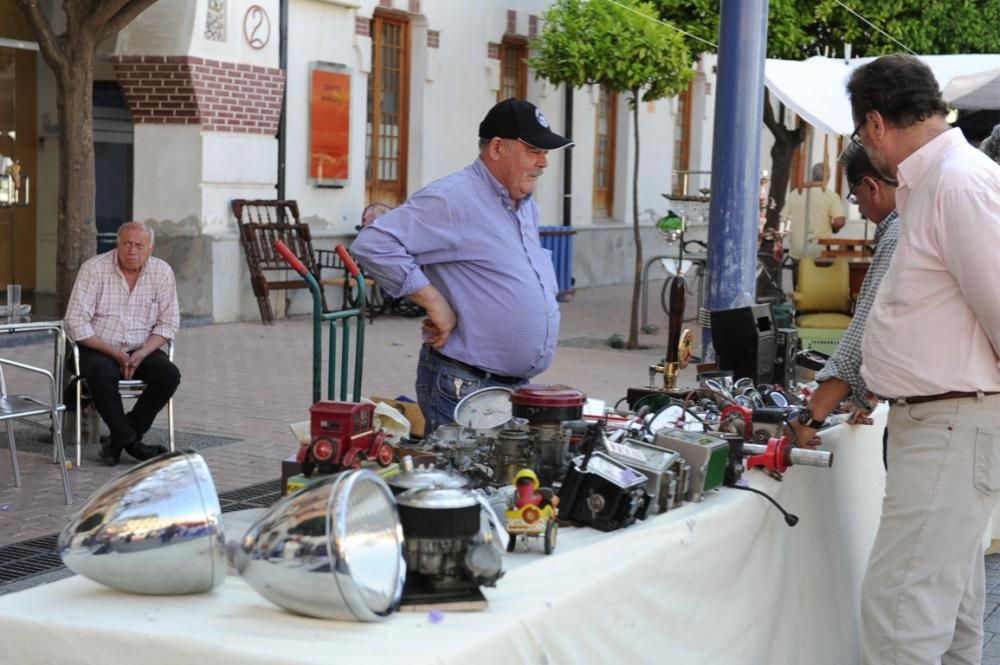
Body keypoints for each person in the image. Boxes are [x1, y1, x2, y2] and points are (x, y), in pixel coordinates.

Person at [847, 54, 1000, 664]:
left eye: (861, 136)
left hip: (952, 423)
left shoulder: (956, 180)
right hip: (947, 422)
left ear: (877, 125)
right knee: (950, 612)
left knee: (901, 618)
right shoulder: (940, 180)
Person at [351, 98, 572, 434]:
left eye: (546, 152)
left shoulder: (526, 204)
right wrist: (434, 302)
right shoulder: (453, 198)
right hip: (465, 386)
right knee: (468, 484)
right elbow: (373, 244)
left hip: (512, 388)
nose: (544, 162)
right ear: (498, 147)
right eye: (534, 150)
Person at [788, 142, 899, 469]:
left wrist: (811, 417)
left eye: (855, 197)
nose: (860, 209)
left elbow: (865, 334)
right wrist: (861, 395)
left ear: (870, 186)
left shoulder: (898, 232)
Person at [65, 221, 181, 467]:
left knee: (169, 375)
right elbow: (75, 322)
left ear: (150, 248)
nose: (132, 250)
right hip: (97, 346)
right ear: (117, 245)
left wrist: (141, 353)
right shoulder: (94, 269)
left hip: (142, 347)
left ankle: (118, 440)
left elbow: (168, 323)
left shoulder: (162, 272)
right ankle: (132, 442)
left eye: (139, 245)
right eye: (126, 243)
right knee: (102, 373)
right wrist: (114, 354)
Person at [784, 162, 846, 273]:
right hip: (819, 252)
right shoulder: (831, 196)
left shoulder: (796, 193)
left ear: (812, 176)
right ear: (828, 177)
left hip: (797, 251)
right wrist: (834, 228)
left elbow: (784, 217)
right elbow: (839, 222)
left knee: (799, 284)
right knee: (817, 286)